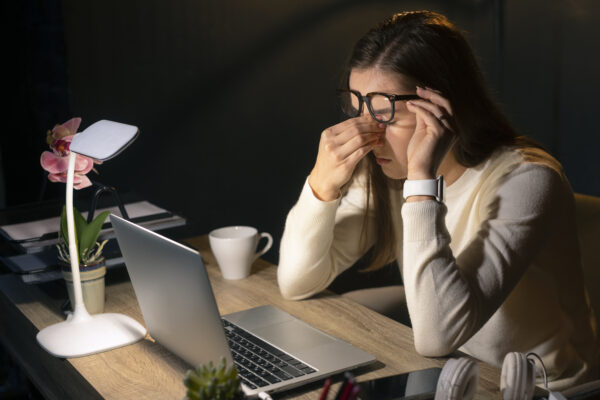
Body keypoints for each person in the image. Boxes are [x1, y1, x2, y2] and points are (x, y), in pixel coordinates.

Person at [277, 10, 598, 390]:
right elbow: (296, 282)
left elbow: (437, 336)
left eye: (385, 116)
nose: (367, 134)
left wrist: (422, 182)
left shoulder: (528, 180)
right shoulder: (386, 169)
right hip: (451, 372)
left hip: (540, 389)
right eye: (356, 111)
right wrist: (321, 186)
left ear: (442, 106)